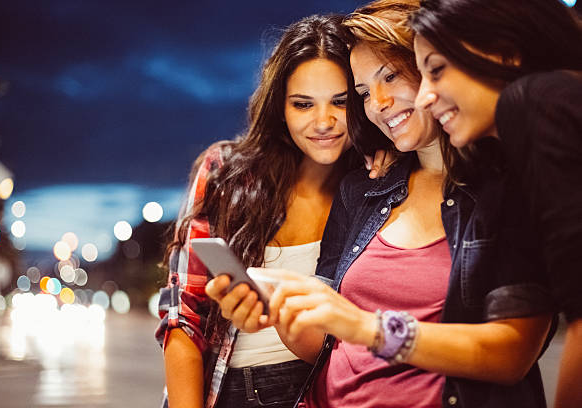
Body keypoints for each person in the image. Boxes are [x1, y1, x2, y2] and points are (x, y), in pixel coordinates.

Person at [208, 1, 555, 407]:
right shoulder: (362, 189)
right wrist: (280, 311)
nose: (378, 103)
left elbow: (510, 354)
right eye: (363, 93)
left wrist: (364, 326)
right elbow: (324, 343)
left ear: (432, 66)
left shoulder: (506, 186)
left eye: (390, 75)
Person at [154, 14, 366, 408]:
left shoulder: (375, 185)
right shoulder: (225, 174)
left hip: (321, 391)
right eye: (304, 104)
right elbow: (183, 319)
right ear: (279, 108)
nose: (325, 122)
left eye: (341, 102)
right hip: (226, 389)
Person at [410, 1, 582, 407]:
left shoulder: (534, 100)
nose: (422, 97)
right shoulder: (512, 161)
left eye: (436, 69)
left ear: (505, 51)